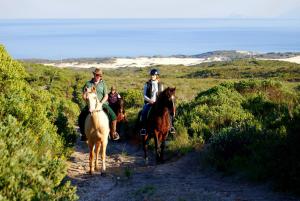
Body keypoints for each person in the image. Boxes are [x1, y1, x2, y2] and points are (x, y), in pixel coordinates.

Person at [78, 68, 120, 141]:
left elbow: (106, 95)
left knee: (113, 116)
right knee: (81, 117)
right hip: (90, 104)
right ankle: (83, 134)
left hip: (102, 104)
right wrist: (87, 99)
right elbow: (84, 95)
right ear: (94, 75)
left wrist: (101, 103)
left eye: (99, 75)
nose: (98, 76)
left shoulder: (103, 84)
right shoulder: (88, 84)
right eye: (97, 75)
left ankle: (113, 133)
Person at [140, 68, 176, 135]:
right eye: (151, 75)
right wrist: (150, 101)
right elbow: (144, 95)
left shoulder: (160, 84)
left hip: (159, 103)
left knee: (169, 113)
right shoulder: (147, 84)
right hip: (149, 103)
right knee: (144, 111)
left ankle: (171, 127)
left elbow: (161, 95)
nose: (152, 76)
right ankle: (144, 129)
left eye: (153, 75)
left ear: (157, 76)